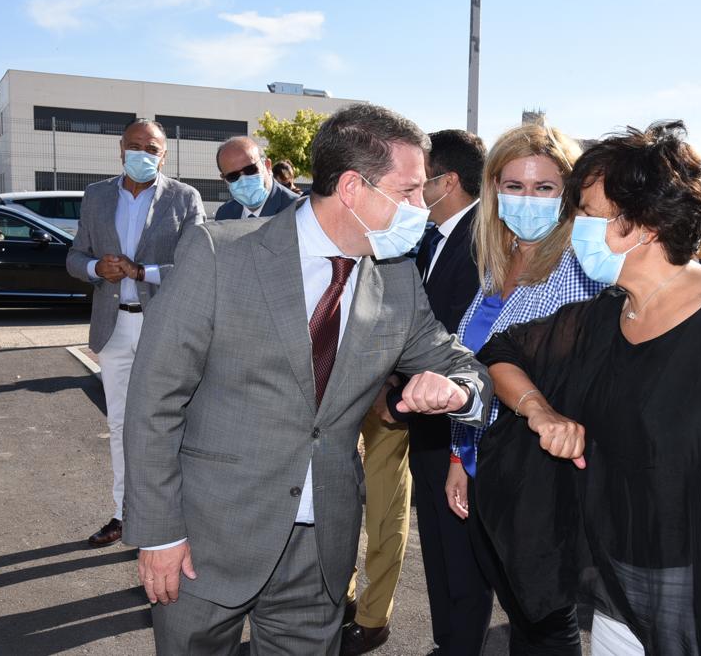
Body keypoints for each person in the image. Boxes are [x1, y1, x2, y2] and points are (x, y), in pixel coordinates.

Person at [121, 103, 491, 654]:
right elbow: (154, 401)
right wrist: (158, 532)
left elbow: (461, 362)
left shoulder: (396, 282)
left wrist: (457, 390)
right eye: (409, 191)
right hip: (207, 537)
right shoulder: (221, 255)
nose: (422, 206)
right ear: (351, 188)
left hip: (321, 551)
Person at [473, 122, 701, 655]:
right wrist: (539, 411)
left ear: (642, 226)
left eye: (586, 212)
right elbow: (500, 352)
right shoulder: (608, 314)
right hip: (617, 595)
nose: (574, 224)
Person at [445, 122, 604, 655]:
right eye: (514, 186)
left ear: (567, 195)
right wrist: (459, 458)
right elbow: (472, 366)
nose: (527, 200)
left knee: (545, 621)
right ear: (493, 189)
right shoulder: (499, 260)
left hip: (544, 470)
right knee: (520, 614)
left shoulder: (582, 268)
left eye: (544, 188)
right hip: (488, 463)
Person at [346, 130, 490, 656]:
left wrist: (398, 391)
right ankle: (446, 641)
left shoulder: (482, 239)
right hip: (423, 418)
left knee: (462, 553)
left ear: (446, 181)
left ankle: (460, 647)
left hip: (456, 422)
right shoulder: (430, 235)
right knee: (438, 545)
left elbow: (457, 340)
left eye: (416, 183)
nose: (409, 197)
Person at [65, 118, 206, 547]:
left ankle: (173, 516)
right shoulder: (96, 196)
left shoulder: (185, 198)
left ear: (164, 154)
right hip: (114, 327)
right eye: (135, 145)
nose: (143, 153)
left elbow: (199, 263)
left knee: (169, 421)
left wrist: (144, 271)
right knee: (123, 424)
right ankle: (123, 513)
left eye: (153, 148)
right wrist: (95, 268)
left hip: (162, 326)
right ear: (120, 149)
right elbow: (75, 256)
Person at [213, 137, 299, 220]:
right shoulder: (224, 215)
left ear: (267, 165)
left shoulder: (298, 209)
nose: (244, 180)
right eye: (233, 176)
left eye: (250, 170)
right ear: (224, 179)